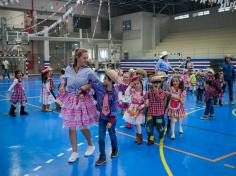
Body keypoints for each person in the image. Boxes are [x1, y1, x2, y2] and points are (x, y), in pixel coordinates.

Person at [58, 48, 100, 163]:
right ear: (77, 57)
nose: (86, 60)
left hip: (83, 100)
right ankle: (75, 152)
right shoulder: (68, 69)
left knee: (83, 126)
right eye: (84, 57)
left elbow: (97, 83)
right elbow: (65, 81)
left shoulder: (88, 71)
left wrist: (87, 86)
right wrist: (62, 86)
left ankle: (91, 145)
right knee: (71, 127)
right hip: (71, 100)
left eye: (87, 57)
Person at [88, 69, 119, 166]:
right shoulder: (101, 87)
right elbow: (92, 82)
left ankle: (115, 149)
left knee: (112, 136)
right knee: (101, 138)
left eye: (105, 78)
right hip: (102, 118)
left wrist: (111, 121)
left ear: (110, 81)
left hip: (110, 119)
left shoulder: (114, 94)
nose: (103, 80)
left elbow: (114, 109)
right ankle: (102, 156)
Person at [144, 72, 166, 145]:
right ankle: (151, 139)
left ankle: (161, 132)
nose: (156, 84)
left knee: (159, 126)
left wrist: (156, 92)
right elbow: (145, 98)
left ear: (160, 84)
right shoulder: (149, 92)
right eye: (154, 83)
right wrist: (146, 100)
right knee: (149, 128)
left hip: (159, 114)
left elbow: (160, 99)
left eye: (158, 83)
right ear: (151, 84)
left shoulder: (162, 92)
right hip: (150, 113)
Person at [123, 76, 145, 144]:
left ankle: (140, 138)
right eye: (135, 84)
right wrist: (130, 86)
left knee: (138, 124)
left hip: (139, 110)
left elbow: (146, 102)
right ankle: (137, 137)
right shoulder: (132, 91)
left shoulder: (143, 92)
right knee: (135, 124)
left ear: (141, 84)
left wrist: (141, 106)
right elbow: (126, 93)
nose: (136, 85)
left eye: (137, 83)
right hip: (132, 110)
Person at [166, 74, 186, 140]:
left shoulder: (182, 90)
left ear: (179, 82)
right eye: (173, 81)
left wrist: (179, 99)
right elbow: (170, 96)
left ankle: (180, 127)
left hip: (179, 107)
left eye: (176, 81)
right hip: (172, 106)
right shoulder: (170, 89)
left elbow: (183, 101)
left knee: (180, 118)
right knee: (172, 120)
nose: (175, 82)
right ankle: (172, 133)